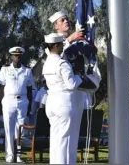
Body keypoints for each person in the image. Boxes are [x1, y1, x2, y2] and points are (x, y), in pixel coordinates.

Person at [42, 33, 96, 164]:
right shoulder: (62, 64)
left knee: (55, 140)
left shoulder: (47, 63)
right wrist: (79, 75)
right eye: (60, 44)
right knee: (65, 142)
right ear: (55, 45)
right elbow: (71, 84)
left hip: (51, 103)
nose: (62, 46)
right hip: (64, 103)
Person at [48, 10, 100, 109]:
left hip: (80, 86)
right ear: (56, 26)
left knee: (84, 121)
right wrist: (69, 40)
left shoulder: (76, 40)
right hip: (65, 92)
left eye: (66, 19)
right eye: (62, 20)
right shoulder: (52, 41)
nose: (66, 21)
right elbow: (53, 57)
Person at [0, 46, 35, 163]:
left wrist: (29, 106)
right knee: (8, 129)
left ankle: (18, 156)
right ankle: (9, 155)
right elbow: (0, 88)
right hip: (9, 100)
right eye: (15, 55)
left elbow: (29, 90)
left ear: (21, 56)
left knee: (21, 129)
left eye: (19, 55)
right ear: (11, 56)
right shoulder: (5, 70)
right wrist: (2, 102)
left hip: (23, 100)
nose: (17, 57)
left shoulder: (27, 71)